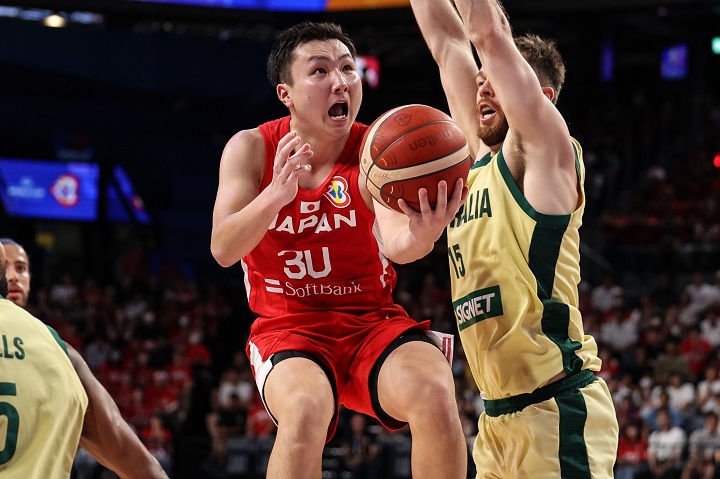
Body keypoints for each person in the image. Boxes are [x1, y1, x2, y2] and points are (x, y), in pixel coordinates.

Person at [210, 21, 468, 479]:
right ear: (286, 94)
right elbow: (223, 248)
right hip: (289, 327)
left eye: (348, 68)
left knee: (434, 389)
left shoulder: (377, 151)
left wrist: (425, 232)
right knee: (305, 409)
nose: (341, 81)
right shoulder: (251, 148)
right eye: (320, 70)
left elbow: (398, 245)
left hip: (371, 323)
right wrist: (275, 196)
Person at [408, 0, 619, 476]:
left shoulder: (542, 152)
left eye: (494, 80)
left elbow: (486, 33)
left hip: (555, 411)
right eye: (479, 80)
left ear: (538, 97)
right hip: (496, 420)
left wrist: (491, 47)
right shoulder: (477, 158)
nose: (481, 86)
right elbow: (447, 43)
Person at [0, 238, 168, 479]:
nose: (13, 276)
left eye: (20, 268)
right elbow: (141, 466)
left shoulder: (61, 350)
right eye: (5, 266)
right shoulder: (62, 352)